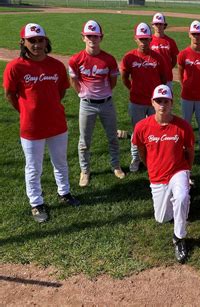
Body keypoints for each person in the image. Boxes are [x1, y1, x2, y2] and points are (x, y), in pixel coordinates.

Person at [3, 23, 79, 223]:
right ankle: (36, 203)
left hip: (56, 123)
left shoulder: (55, 65)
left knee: (60, 162)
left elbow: (60, 91)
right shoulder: (15, 67)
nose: (37, 45)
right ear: (23, 43)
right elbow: (10, 94)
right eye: (32, 41)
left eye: (40, 40)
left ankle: (65, 192)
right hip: (31, 127)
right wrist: (26, 110)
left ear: (46, 41)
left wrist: (49, 106)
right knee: (33, 167)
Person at [133, 85, 195, 263]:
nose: (162, 105)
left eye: (165, 101)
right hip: (157, 175)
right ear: (152, 103)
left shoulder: (182, 126)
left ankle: (179, 237)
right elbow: (141, 151)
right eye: (158, 101)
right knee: (162, 218)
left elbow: (190, 151)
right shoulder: (142, 127)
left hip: (178, 170)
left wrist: (186, 172)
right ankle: (184, 198)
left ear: (171, 103)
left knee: (182, 197)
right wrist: (150, 167)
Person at [68, 20, 125, 187]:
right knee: (84, 141)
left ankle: (116, 166)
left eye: (96, 36)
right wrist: (82, 93)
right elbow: (73, 79)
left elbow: (113, 81)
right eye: (89, 36)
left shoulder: (109, 59)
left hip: (106, 103)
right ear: (83, 38)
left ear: (101, 37)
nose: (92, 39)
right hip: (87, 104)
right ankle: (85, 170)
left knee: (112, 137)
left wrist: (103, 93)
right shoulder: (76, 59)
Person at [120, 22, 168, 172]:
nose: (143, 42)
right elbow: (124, 76)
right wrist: (132, 88)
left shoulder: (158, 58)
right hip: (136, 101)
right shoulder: (129, 57)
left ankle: (154, 157)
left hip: (154, 103)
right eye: (140, 39)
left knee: (156, 130)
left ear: (150, 39)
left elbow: (163, 79)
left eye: (146, 39)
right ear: (135, 39)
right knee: (137, 132)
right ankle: (136, 158)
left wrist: (157, 98)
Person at [177, 20, 200, 163]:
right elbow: (180, 72)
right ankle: (185, 148)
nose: (196, 37)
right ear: (189, 35)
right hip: (187, 96)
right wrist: (183, 85)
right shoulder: (183, 54)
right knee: (186, 124)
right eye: (194, 34)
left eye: (198, 34)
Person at [150, 12, 180, 88]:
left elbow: (174, 59)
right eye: (156, 24)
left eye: (160, 24)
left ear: (164, 25)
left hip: (167, 77)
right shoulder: (149, 40)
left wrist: (167, 68)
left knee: (167, 99)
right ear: (153, 25)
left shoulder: (170, 41)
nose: (158, 26)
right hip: (153, 76)